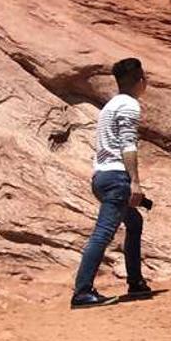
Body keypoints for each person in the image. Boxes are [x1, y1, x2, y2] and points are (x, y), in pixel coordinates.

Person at [71, 58, 153, 309]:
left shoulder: (110, 106)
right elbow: (128, 145)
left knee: (134, 221)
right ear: (140, 81)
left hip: (102, 176)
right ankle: (82, 292)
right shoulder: (129, 105)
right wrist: (135, 182)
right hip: (116, 178)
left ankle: (136, 282)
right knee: (103, 234)